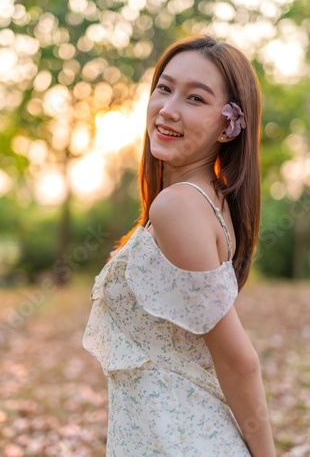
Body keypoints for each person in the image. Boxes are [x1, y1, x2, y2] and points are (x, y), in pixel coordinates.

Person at [82, 35, 275, 456]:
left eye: (195, 98)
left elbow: (238, 361)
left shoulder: (180, 207)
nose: (167, 109)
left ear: (229, 125)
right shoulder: (208, 200)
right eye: (164, 89)